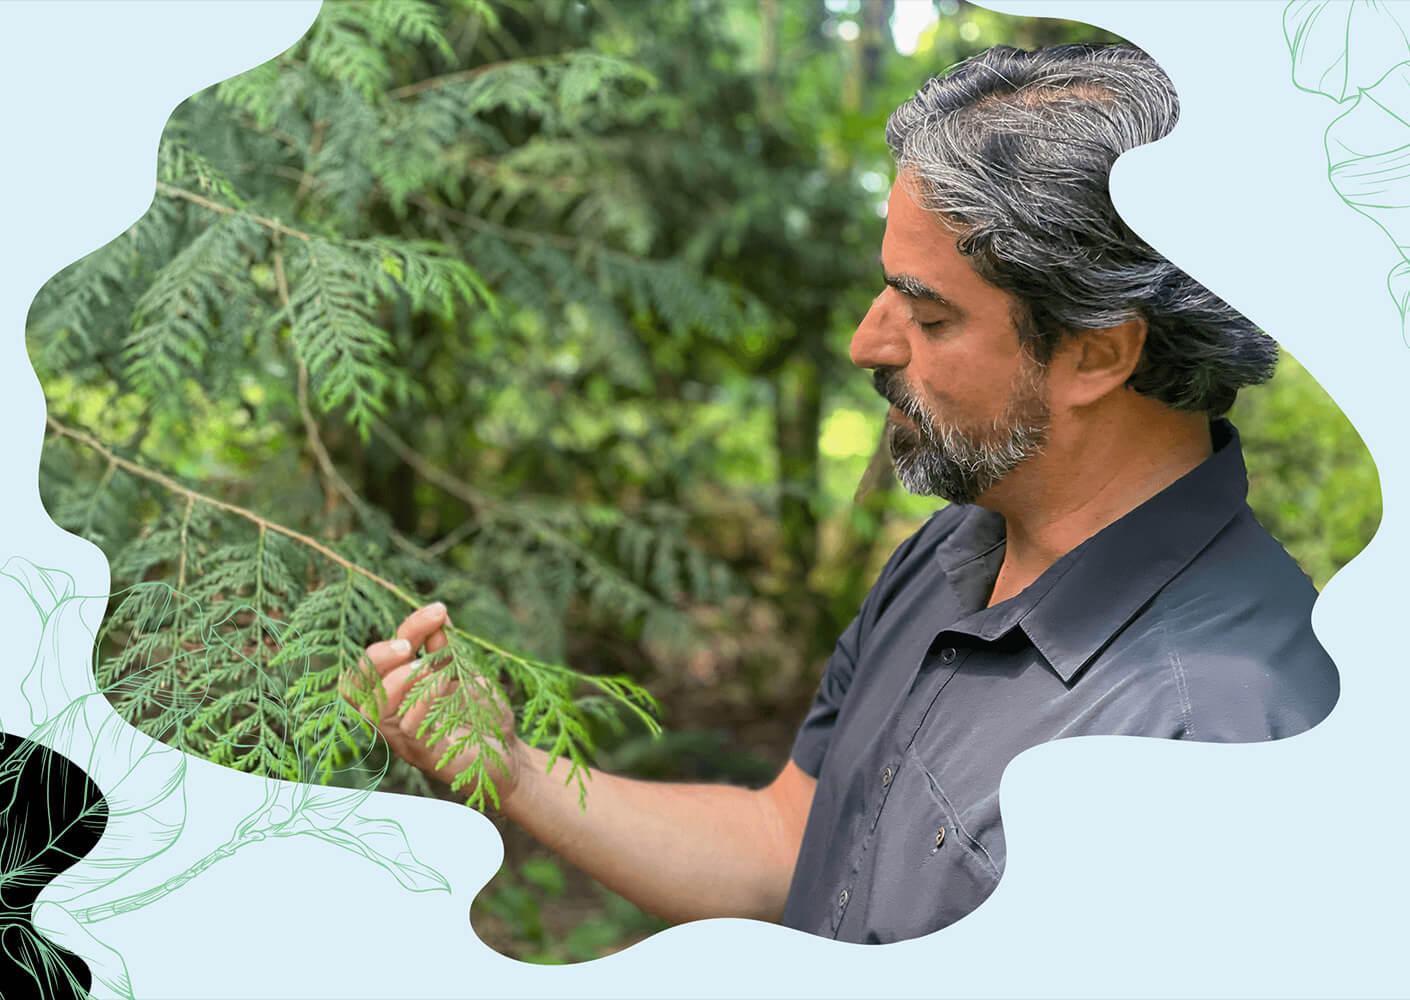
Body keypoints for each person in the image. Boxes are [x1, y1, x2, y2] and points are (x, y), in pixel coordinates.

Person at [347, 43, 1339, 944]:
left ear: (1098, 353)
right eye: (887, 289)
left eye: (930, 316)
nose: (869, 343)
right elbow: (788, 843)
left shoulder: (1219, 729)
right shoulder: (957, 553)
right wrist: (513, 768)